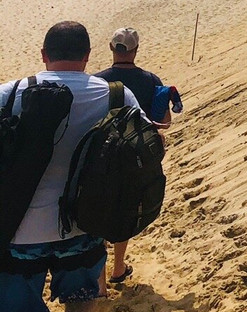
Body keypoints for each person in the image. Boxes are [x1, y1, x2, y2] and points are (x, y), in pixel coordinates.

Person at [0, 21, 144, 312]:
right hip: (85, 228)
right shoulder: (117, 96)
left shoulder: (9, 94)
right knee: (81, 304)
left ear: (43, 54)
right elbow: (148, 150)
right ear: (87, 55)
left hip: (18, 232)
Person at [93, 28, 173, 285]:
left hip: (101, 155)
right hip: (137, 158)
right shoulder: (152, 81)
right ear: (136, 50)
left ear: (111, 48)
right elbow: (164, 123)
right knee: (124, 209)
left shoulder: (96, 81)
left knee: (96, 210)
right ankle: (118, 268)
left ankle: (100, 280)